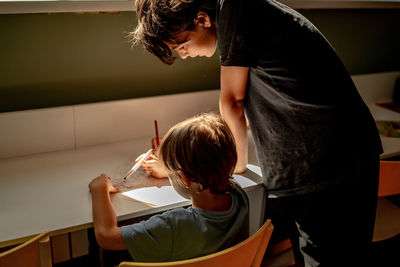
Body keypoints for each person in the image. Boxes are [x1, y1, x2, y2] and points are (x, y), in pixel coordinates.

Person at [131, 0, 383, 266]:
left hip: (326, 167)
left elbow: (232, 102)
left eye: (182, 45)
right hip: (338, 156)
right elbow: (264, 99)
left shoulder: (238, 11)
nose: (183, 55)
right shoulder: (243, 13)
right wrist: (180, 159)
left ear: (202, 20)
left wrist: (228, 165)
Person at [88, 113, 249, 262]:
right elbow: (211, 167)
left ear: (185, 178)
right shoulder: (239, 196)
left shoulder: (173, 225)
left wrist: (99, 189)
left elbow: (106, 236)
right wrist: (170, 168)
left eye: (172, 172)